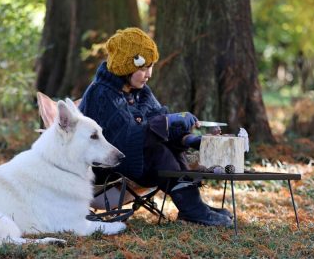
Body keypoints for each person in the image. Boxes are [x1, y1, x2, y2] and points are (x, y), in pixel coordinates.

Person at [79, 27, 232, 226]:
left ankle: (193, 206)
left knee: (166, 148)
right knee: (158, 152)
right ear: (125, 66)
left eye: (151, 67)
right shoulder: (102, 93)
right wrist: (168, 121)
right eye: (143, 68)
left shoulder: (140, 91)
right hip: (105, 169)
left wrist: (190, 139)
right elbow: (126, 140)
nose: (149, 74)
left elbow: (156, 121)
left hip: (134, 163)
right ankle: (193, 209)